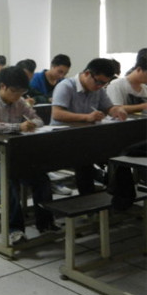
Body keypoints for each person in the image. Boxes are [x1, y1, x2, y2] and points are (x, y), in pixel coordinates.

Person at [0, 66, 58, 244]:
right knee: (9, 182)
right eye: (14, 91)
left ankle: (45, 223)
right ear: (2, 86)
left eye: (22, 92)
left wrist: (32, 124)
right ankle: (15, 230)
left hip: (14, 156)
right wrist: (18, 127)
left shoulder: (20, 102)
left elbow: (38, 120)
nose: (18, 95)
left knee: (42, 179)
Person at [51, 58, 127, 195]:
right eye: (98, 82)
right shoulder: (66, 86)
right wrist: (86, 117)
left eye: (104, 84)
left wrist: (117, 110)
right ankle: (91, 197)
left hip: (86, 138)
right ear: (87, 73)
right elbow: (57, 114)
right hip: (62, 138)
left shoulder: (98, 89)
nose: (100, 86)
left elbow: (109, 107)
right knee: (85, 160)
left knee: (118, 153)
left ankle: (118, 193)